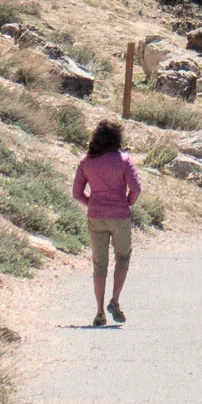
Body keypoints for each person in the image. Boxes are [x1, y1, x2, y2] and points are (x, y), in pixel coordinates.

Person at [73, 119, 143, 325]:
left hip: (96, 216)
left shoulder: (86, 162)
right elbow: (136, 188)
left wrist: (92, 203)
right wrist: (127, 202)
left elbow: (77, 193)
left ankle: (99, 312)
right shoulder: (123, 160)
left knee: (99, 264)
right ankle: (115, 300)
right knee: (122, 258)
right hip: (120, 215)